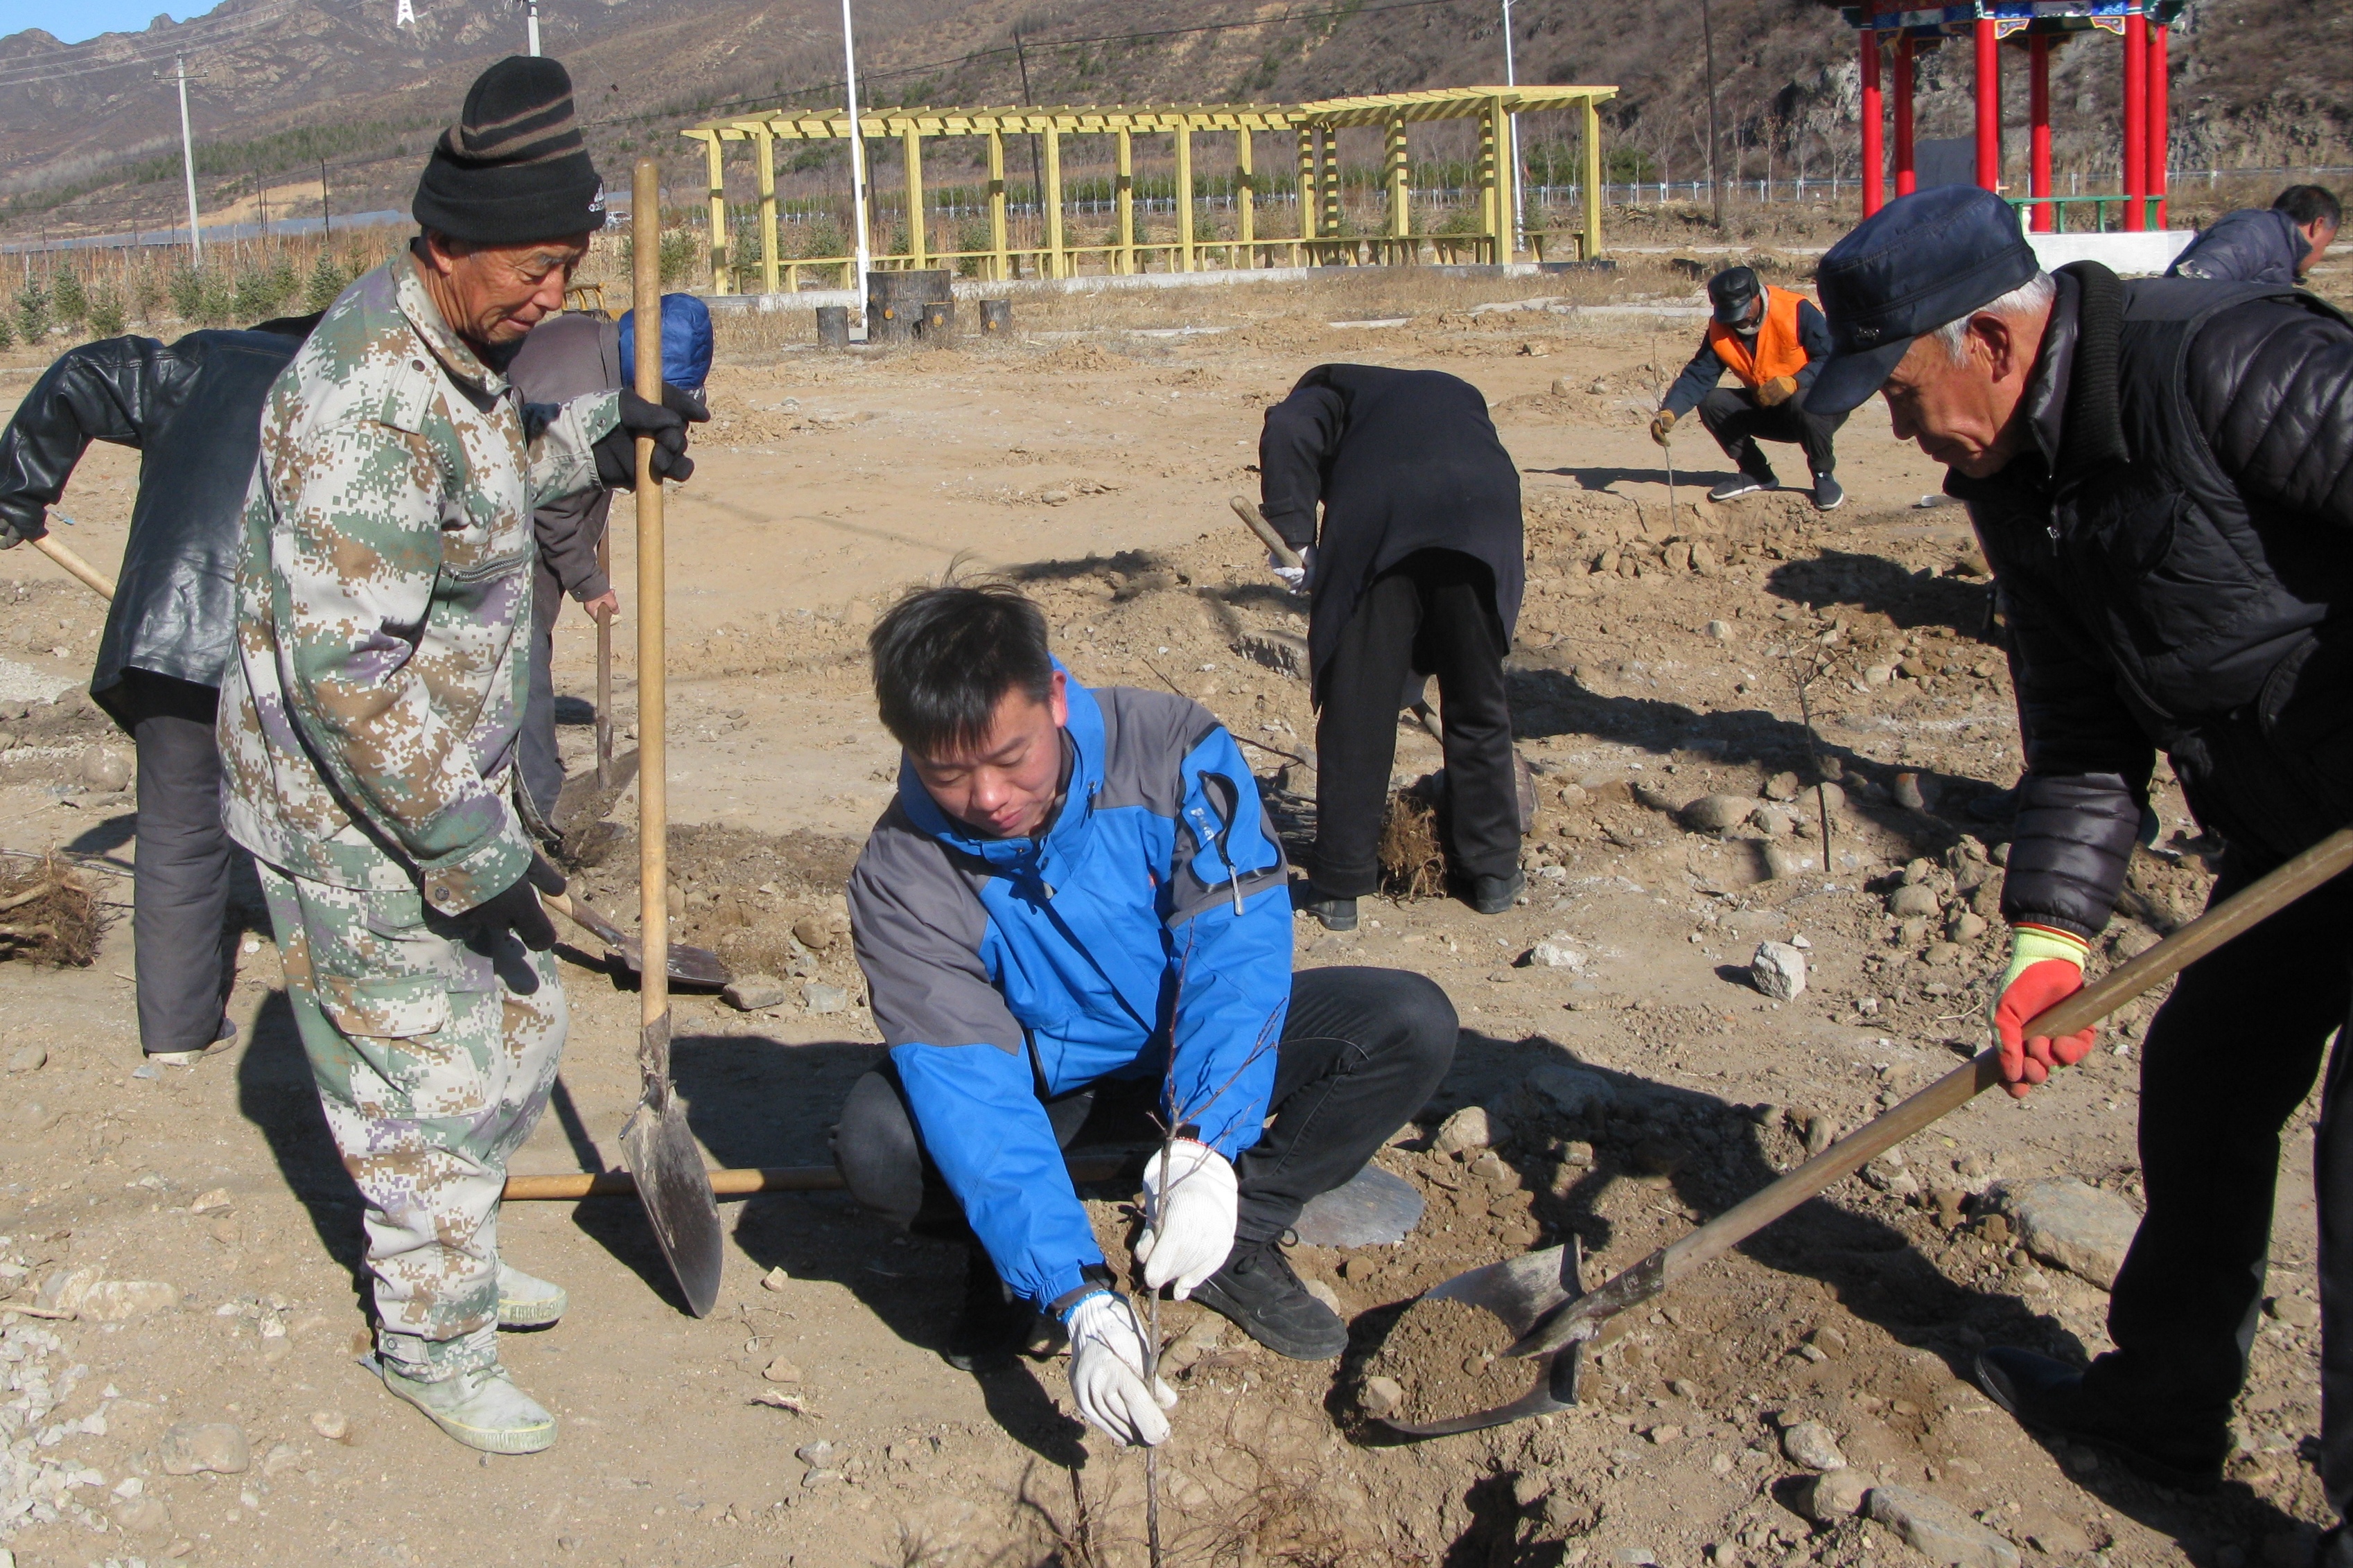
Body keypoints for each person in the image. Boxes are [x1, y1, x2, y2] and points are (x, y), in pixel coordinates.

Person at [1806, 184, 2353, 1556]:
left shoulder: (2223, 360)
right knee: (2203, 1074)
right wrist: (2049, 930)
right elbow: (2077, 734)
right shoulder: (2015, 485)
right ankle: (2162, 1408)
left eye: (1897, 386)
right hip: (2293, 838)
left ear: (1986, 342)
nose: (1889, 421)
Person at [217, 54, 705, 1455]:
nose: (554, 296)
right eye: (537, 266)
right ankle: (431, 1345)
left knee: (516, 1024)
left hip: (435, 784)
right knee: (422, 1082)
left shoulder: (452, 354)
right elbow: (348, 681)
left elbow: (473, 496)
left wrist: (603, 437)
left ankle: (461, 1260)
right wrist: (470, 847)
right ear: (448, 243)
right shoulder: (364, 398)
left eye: (572, 263)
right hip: (358, 813)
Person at [832, 583, 1455, 1448]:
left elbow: (1235, 956)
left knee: (1406, 1021)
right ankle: (1019, 1269)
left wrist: (1206, 1139)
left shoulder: (1171, 749)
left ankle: (1237, 1231)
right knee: (880, 1142)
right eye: (948, 772)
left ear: (1052, 698)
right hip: (1055, 1094)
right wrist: (1078, 1292)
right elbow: (973, 1093)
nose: (986, 797)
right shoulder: (901, 877)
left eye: (1010, 757)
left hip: (1186, 1056)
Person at [0, 310, 317, 1066]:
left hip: (168, 634)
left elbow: (80, 373)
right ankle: (349, 1028)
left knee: (177, 832)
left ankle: (176, 1037)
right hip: (299, 647)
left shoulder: (198, 364)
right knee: (327, 831)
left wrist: (19, 490)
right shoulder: (346, 374)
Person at [1256, 364, 1525, 933]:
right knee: (1477, 702)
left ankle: (1339, 884)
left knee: (1356, 712)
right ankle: (1493, 872)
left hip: (1382, 516)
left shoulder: (1324, 391)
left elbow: (1286, 428)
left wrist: (1294, 536)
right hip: (1483, 516)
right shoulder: (1454, 390)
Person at [507, 290, 712, 831]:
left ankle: (517, 782)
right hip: (503, 540)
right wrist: (588, 581)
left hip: (513, 526)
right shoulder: (576, 390)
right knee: (520, 652)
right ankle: (543, 810)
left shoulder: (587, 338)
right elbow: (548, 503)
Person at [1650, 265, 1846, 510]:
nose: (1737, 319)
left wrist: (1796, 381)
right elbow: (1699, 375)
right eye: (1729, 314)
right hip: (1772, 411)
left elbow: (1834, 357)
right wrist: (1670, 411)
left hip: (1819, 408)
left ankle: (1823, 475)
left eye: (1741, 311)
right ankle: (1757, 474)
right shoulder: (1720, 329)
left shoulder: (1795, 309)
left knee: (1802, 401)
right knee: (1713, 402)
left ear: (1756, 296)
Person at [2167, 183, 2339, 285]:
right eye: (2326, 244)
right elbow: (2191, 287)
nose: (2320, 255)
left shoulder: (2276, 245)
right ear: (2317, 225)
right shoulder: (2254, 233)